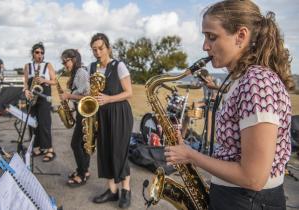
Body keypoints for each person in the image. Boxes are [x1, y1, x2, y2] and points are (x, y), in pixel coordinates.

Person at [164, 1, 295, 210]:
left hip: (247, 200)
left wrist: (190, 155)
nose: (205, 46)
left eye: (212, 36)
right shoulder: (241, 79)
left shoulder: (257, 82)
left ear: (241, 36)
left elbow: (253, 178)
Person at [89, 33, 133, 209]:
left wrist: (108, 99)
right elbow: (92, 93)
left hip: (119, 112)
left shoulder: (119, 65)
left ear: (108, 48)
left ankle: (126, 191)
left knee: (119, 152)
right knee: (105, 151)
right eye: (94, 49)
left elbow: (129, 92)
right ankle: (112, 191)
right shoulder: (92, 67)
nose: (98, 52)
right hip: (101, 114)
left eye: (101, 48)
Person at [59, 49, 91, 186]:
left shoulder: (81, 73)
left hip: (86, 113)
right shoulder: (75, 73)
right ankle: (84, 170)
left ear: (74, 59)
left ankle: (82, 175)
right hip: (80, 111)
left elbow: (88, 97)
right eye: (63, 62)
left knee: (75, 144)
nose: (64, 64)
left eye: (66, 61)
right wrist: (71, 107)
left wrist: (68, 96)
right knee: (84, 145)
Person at [23, 42, 57, 162]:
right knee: (32, 124)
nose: (40, 55)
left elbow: (55, 81)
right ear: (33, 53)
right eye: (37, 52)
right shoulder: (28, 66)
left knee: (44, 123)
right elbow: (26, 82)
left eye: (42, 53)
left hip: (43, 97)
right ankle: (36, 147)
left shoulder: (48, 65)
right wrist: (26, 90)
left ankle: (49, 149)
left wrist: (44, 80)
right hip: (32, 97)